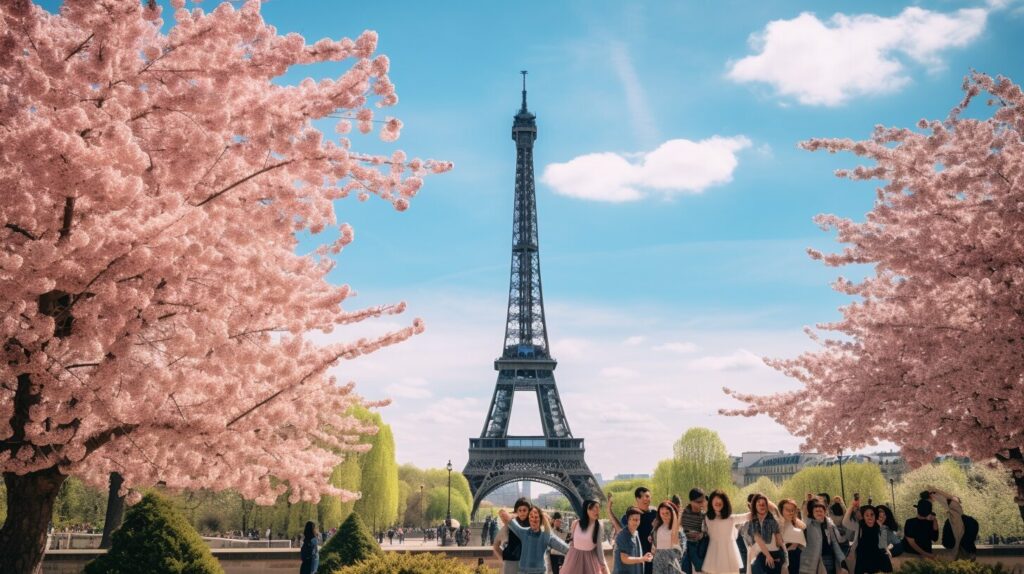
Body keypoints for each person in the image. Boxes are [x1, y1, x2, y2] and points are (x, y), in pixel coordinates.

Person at [499, 505, 570, 574]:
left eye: (536, 517)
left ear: (540, 518)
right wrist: (504, 513)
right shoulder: (523, 532)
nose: (533, 519)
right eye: (531, 517)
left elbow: (566, 549)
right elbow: (508, 520)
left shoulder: (546, 535)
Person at [610, 488, 659, 574]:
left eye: (649, 496)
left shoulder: (655, 514)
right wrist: (610, 511)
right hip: (633, 557)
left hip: (650, 557)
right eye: (645, 496)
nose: (647, 499)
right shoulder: (629, 516)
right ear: (637, 498)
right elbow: (621, 531)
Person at [702, 490, 746, 574]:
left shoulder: (731, 518)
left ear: (724, 504)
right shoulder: (707, 518)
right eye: (716, 502)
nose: (718, 503)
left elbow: (747, 516)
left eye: (720, 502)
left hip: (730, 553)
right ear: (711, 503)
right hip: (714, 553)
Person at [563, 499, 610, 574]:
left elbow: (599, 548)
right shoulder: (575, 523)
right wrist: (566, 560)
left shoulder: (598, 526)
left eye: (597, 508)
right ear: (586, 510)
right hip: (573, 558)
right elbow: (572, 543)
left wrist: (603, 565)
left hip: (590, 560)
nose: (595, 511)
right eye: (591, 508)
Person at [799, 501, 847, 574]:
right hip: (814, 561)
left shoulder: (829, 524)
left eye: (821, 511)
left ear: (825, 512)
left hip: (828, 559)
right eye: (816, 511)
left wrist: (842, 561)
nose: (819, 513)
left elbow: (834, 543)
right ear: (812, 513)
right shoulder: (808, 525)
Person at [842, 503, 889, 574]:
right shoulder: (859, 526)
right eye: (866, 515)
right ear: (863, 517)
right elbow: (845, 522)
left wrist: (887, 550)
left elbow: (883, 544)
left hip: (876, 556)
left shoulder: (880, 526)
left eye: (872, 514)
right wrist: (852, 506)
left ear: (875, 516)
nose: (869, 517)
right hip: (862, 558)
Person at [747, 494, 784, 574]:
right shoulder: (753, 520)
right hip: (760, 554)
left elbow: (778, 539)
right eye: (759, 504)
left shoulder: (772, 519)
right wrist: (768, 555)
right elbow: (757, 539)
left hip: (774, 553)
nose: (761, 506)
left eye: (764, 504)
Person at [495, 498, 532, 574]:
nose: (522, 513)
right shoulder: (508, 525)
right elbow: (496, 545)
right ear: (516, 511)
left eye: (524, 510)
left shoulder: (533, 526)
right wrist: (504, 558)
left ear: (529, 511)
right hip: (511, 563)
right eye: (519, 510)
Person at [615, 506, 655, 574]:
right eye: (635, 520)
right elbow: (624, 559)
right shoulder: (622, 536)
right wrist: (642, 559)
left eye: (639, 520)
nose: (637, 522)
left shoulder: (636, 533)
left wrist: (645, 556)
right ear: (628, 520)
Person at [650, 501, 684, 574]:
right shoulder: (656, 528)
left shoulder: (678, 530)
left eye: (667, 513)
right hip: (658, 562)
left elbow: (679, 551)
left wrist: (675, 515)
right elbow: (654, 546)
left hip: (671, 562)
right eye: (662, 513)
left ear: (672, 513)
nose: (664, 516)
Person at [680, 489, 707, 574]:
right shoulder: (683, 513)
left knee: (700, 568)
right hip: (684, 545)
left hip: (697, 545)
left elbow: (708, 530)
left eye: (703, 501)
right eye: (698, 502)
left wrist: (702, 534)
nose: (701, 504)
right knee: (685, 570)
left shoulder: (704, 515)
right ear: (691, 501)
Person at [778, 499, 806, 574]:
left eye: (792, 510)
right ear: (781, 510)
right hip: (782, 560)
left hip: (797, 561)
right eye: (787, 510)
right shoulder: (777, 525)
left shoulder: (800, 525)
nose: (790, 512)